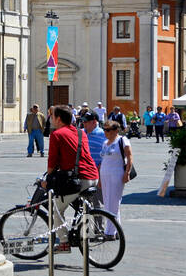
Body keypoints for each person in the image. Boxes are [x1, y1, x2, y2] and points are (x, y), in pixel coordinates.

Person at [42, 105, 100, 251]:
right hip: (93, 176)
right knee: (73, 202)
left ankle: (64, 242)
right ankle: (77, 229)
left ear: (59, 119)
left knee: (56, 209)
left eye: (52, 116)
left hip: (79, 179)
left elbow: (52, 161)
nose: (51, 119)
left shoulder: (57, 134)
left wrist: (47, 178)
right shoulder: (81, 132)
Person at [98, 118, 132, 235]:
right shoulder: (104, 143)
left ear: (115, 130)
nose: (105, 132)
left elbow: (129, 157)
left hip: (116, 174)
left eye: (107, 130)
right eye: (104, 129)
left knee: (114, 202)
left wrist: (127, 173)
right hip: (105, 174)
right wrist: (99, 178)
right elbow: (103, 160)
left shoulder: (122, 140)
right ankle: (116, 230)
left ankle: (110, 232)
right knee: (107, 202)